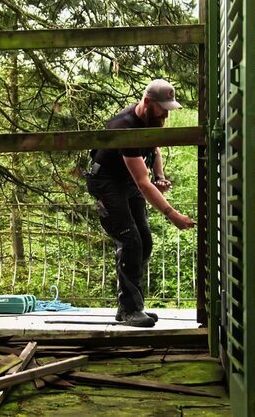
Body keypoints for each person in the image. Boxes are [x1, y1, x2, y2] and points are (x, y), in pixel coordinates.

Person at [86, 79, 196, 328]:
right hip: (106, 182)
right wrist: (172, 214)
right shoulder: (124, 127)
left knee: (144, 241)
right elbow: (143, 184)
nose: (165, 116)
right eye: (162, 109)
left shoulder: (150, 120)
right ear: (147, 103)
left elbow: (154, 149)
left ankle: (128, 305)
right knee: (130, 241)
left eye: (169, 110)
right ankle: (130, 310)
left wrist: (160, 176)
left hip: (127, 181)